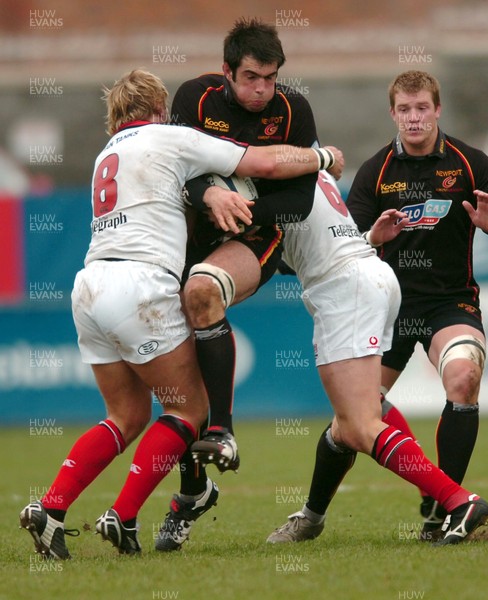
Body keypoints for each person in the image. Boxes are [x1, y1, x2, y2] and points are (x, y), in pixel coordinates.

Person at [18, 68, 342, 559]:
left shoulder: (106, 154)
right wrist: (322, 156)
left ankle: (51, 509)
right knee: (189, 410)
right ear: (159, 108)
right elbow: (264, 163)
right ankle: (123, 515)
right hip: (140, 286)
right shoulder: (170, 136)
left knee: (124, 416)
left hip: (89, 286)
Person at [267, 69, 488, 544]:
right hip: (385, 308)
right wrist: (373, 236)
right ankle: (312, 515)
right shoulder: (375, 172)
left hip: (451, 304)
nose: (413, 118)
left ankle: (445, 509)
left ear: (437, 109)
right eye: (404, 109)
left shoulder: (470, 164)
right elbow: (340, 247)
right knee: (352, 421)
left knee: (463, 378)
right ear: (393, 113)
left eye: (422, 108)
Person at [154, 18, 342, 552]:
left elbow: (301, 202)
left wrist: (242, 204)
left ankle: (224, 430)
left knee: (204, 291)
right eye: (252, 78)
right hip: (189, 235)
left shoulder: (293, 110)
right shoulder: (195, 98)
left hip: (257, 237)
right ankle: (193, 490)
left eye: (272, 78)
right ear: (227, 72)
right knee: (172, 375)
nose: (263, 90)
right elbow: (174, 170)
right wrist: (208, 195)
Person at [269, 171, 488, 547]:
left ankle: (457, 500)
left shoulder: (261, 170)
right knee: (355, 416)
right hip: (370, 272)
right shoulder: (302, 162)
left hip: (344, 291)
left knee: (358, 426)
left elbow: (269, 258)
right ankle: (311, 518)